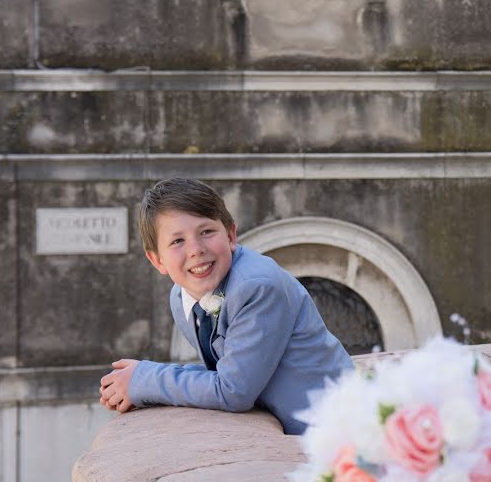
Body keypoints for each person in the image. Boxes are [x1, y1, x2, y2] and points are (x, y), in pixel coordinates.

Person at [98, 177, 353, 434]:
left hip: (340, 428)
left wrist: (146, 380)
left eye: (206, 232)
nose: (196, 250)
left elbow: (233, 391)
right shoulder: (180, 298)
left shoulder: (257, 287)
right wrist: (142, 378)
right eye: (177, 241)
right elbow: (229, 370)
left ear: (231, 235)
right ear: (157, 260)